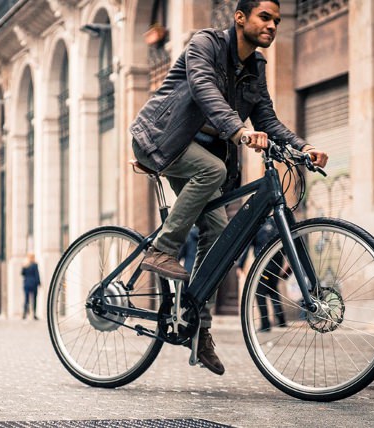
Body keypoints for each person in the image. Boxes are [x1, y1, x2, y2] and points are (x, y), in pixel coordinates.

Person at [130, 0, 328, 375]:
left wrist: (303, 147)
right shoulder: (204, 44)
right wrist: (237, 130)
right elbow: (204, 89)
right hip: (162, 138)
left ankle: (197, 328)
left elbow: (266, 117)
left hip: (203, 153)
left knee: (219, 234)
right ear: (240, 18)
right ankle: (162, 249)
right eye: (264, 17)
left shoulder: (256, 67)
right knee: (213, 169)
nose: (272, 25)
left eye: (277, 21)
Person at [237, 217, 287, 332]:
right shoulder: (276, 225)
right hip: (276, 265)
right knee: (273, 291)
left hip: (263, 266)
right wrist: (285, 262)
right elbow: (283, 246)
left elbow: (248, 246)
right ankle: (281, 320)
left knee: (260, 293)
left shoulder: (257, 225)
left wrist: (240, 265)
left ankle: (265, 324)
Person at [21, 254, 41, 320]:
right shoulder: (35, 265)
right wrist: (39, 282)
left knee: (26, 299)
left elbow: (22, 273)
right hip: (33, 284)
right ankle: (34, 314)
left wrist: (24, 266)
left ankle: (24, 314)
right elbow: (37, 274)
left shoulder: (25, 265)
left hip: (26, 284)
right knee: (34, 299)